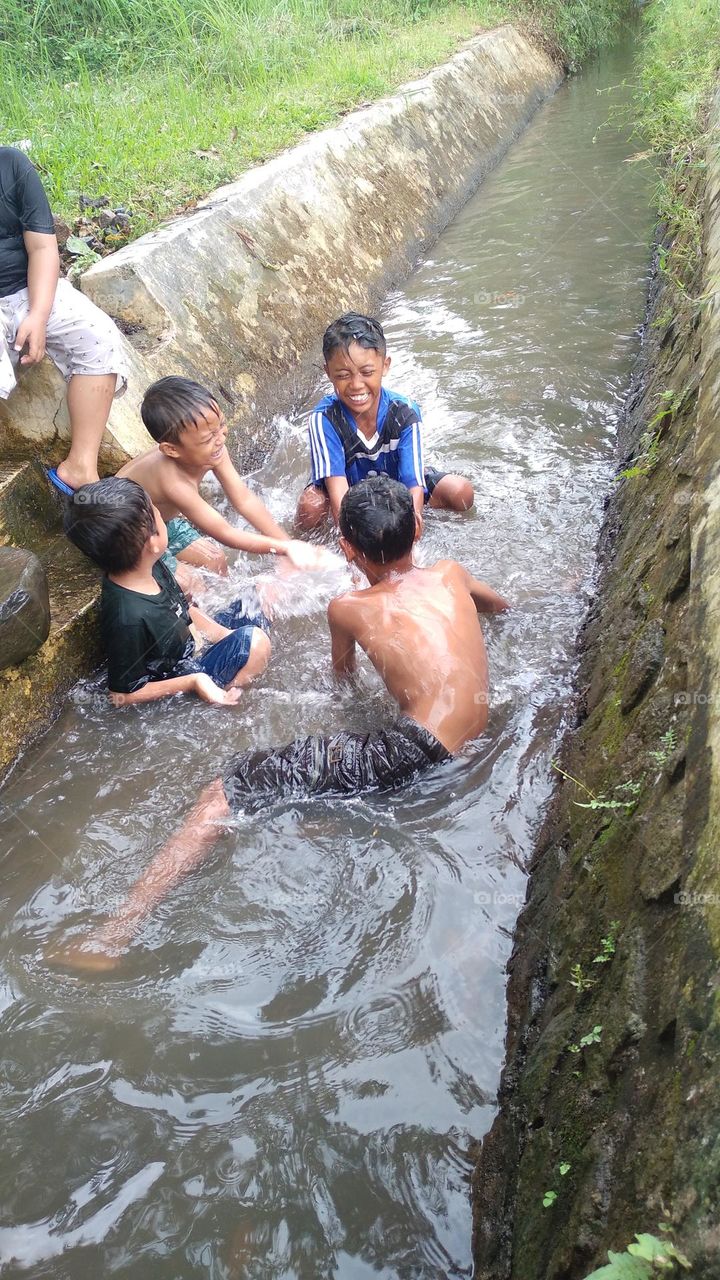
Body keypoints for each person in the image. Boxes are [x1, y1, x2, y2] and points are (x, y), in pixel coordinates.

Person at [50, 476, 508, 971]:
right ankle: (321, 815)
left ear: (347, 547)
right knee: (314, 787)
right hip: (476, 734)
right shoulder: (451, 572)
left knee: (226, 790)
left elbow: (343, 681)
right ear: (418, 526)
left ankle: (114, 935)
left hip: (416, 750)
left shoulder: (348, 607)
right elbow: (499, 608)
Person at [64, 477, 271, 707]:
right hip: (182, 675)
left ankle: (242, 661)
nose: (162, 516)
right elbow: (121, 694)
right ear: (152, 542)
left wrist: (225, 634)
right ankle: (226, 697)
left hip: (193, 648)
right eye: (156, 514)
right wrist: (195, 682)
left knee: (263, 594)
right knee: (256, 643)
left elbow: (184, 612)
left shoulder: (152, 566)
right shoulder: (128, 617)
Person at [0, 145, 127, 492]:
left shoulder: (11, 166)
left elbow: (42, 248)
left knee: (97, 335)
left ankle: (80, 467)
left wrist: (38, 316)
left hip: (29, 288)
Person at [119, 376, 326, 585]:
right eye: (208, 438)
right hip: (127, 536)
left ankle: (227, 611)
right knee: (190, 584)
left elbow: (243, 499)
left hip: (161, 522)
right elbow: (225, 533)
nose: (221, 439)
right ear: (171, 450)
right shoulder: (174, 484)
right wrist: (285, 548)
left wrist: (286, 546)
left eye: (222, 425)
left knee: (215, 560)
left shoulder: (213, 449)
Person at [295, 312, 474, 532]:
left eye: (367, 372)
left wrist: (411, 528)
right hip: (349, 491)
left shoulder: (405, 412)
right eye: (343, 375)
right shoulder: (323, 419)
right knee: (310, 506)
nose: (356, 385)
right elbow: (339, 492)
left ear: (385, 366)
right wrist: (352, 540)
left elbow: (412, 484)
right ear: (328, 373)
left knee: (461, 491)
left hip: (395, 484)